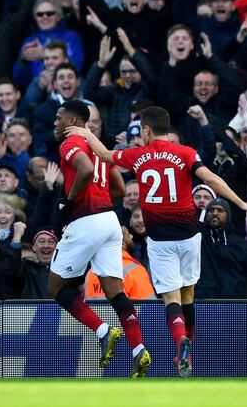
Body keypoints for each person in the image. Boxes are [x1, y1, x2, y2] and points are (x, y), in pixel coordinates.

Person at [67, 105, 247, 378]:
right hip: (190, 235)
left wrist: (84, 131)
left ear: (146, 130)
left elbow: (104, 154)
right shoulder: (186, 153)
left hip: (159, 239)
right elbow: (210, 178)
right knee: (188, 296)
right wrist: (242, 203)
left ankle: (180, 338)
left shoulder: (137, 155)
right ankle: (187, 353)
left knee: (171, 299)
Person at [49, 100, 150, 378]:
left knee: (57, 288)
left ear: (72, 122)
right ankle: (139, 349)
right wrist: (98, 195)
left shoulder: (70, 144)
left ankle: (104, 330)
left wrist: (69, 202)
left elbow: (85, 170)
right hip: (110, 222)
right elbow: (118, 187)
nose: (55, 123)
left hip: (86, 221)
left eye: (59, 118)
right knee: (115, 291)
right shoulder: (97, 145)